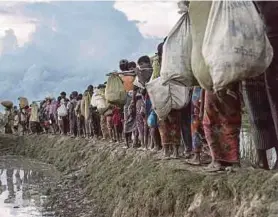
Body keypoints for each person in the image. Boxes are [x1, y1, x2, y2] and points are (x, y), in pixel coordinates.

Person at [240, 2, 278, 170]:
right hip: (255, 60)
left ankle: (264, 161)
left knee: (270, 108)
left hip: (267, 57)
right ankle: (263, 161)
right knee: (258, 112)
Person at [203, 84, 241, 171]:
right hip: (228, 87)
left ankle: (218, 161)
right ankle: (230, 161)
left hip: (218, 88)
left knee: (212, 124)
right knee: (229, 124)